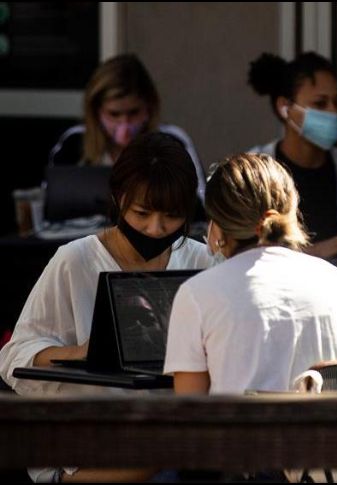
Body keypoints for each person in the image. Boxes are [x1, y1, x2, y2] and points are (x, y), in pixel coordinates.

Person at [0, 132, 212, 483]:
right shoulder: (75, 260)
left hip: (172, 439)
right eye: (142, 213)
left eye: (171, 216)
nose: (155, 229)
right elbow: (14, 357)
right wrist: (79, 353)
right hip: (89, 447)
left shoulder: (202, 260)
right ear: (119, 198)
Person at [164, 152, 337, 395]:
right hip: (332, 430)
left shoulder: (197, 294)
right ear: (292, 210)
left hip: (246, 431)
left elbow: (189, 410)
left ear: (217, 224)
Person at [247, 51, 337, 259]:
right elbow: (244, 257)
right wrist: (326, 249)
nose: (333, 112)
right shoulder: (251, 176)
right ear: (285, 107)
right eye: (320, 103)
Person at [48, 53, 207, 203]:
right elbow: (51, 201)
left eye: (133, 112)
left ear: (148, 108)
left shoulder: (172, 140)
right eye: (114, 114)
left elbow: (200, 201)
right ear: (97, 112)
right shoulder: (74, 141)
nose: (125, 123)